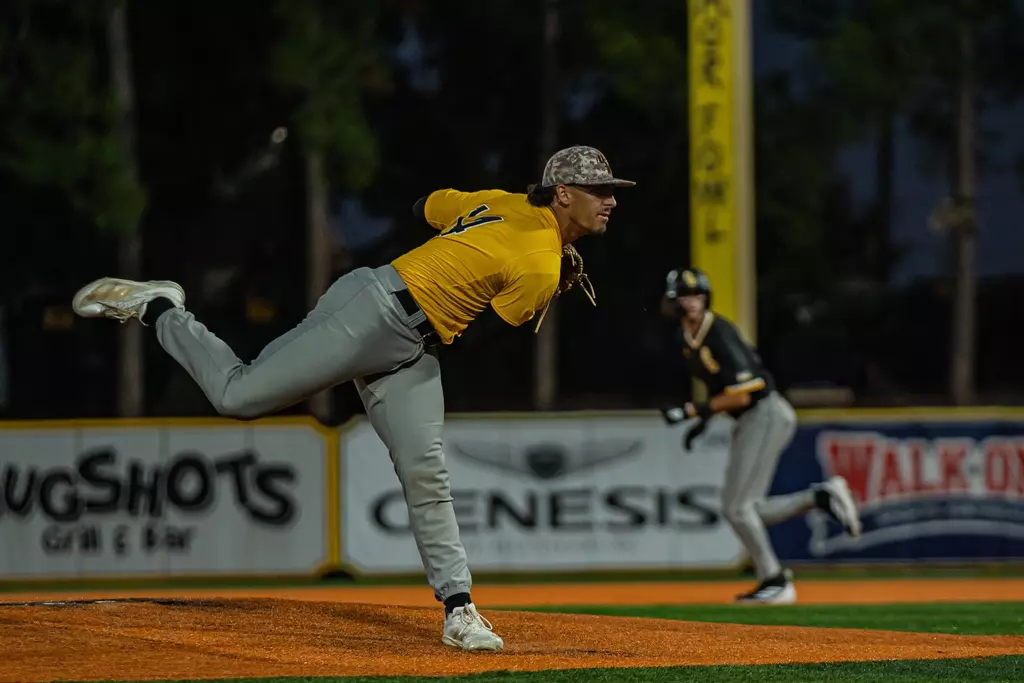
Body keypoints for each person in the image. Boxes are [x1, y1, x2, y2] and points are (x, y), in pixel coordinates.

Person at [71, 145, 634, 650]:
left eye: (612, 191)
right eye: (600, 191)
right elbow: (506, 323)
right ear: (564, 193)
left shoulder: (500, 202)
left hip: (413, 344)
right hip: (372, 313)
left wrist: (466, 238)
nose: (610, 200)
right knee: (237, 396)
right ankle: (162, 308)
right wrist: (536, 272)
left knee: (426, 473)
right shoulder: (539, 259)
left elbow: (426, 205)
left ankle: (459, 609)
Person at [658, 267, 861, 605]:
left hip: (764, 412)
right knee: (747, 510)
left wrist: (693, 411)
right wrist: (704, 421)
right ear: (671, 302)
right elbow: (721, 389)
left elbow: (746, 392)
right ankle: (821, 498)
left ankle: (776, 579)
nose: (692, 302)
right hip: (753, 417)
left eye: (696, 295)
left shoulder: (718, 332)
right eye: (684, 296)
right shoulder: (686, 338)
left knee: (737, 509)